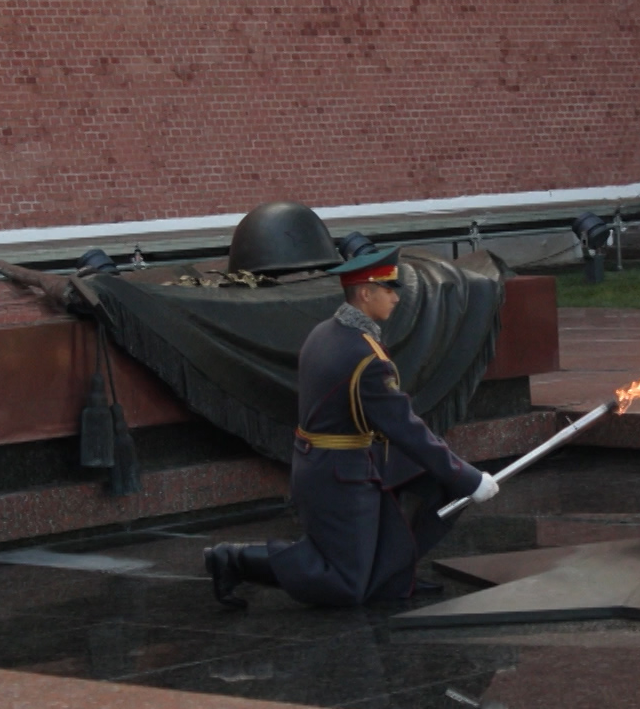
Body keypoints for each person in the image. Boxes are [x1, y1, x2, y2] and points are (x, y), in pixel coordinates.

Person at [204, 245, 498, 609]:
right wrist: (470, 478)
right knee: (342, 584)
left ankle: (390, 577)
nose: (395, 297)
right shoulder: (364, 357)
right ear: (365, 293)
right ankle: (234, 559)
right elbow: (405, 428)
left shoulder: (329, 331)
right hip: (340, 472)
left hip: (340, 457)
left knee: (443, 487)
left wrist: (454, 477)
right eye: (388, 289)